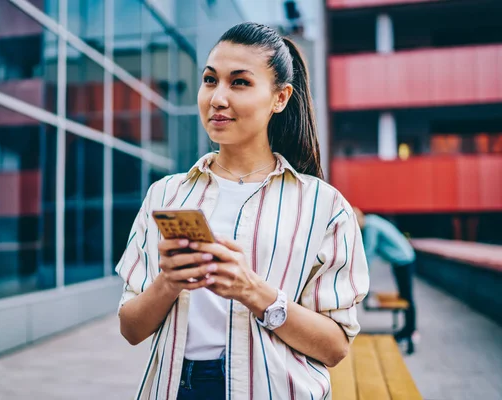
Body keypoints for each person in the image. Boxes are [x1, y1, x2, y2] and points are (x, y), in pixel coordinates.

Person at [116, 22, 369, 400]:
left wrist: (253, 291)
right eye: (209, 80)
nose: (217, 98)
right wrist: (168, 281)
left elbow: (334, 346)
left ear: (280, 98)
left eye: (239, 82)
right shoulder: (165, 195)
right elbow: (131, 329)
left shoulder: (325, 207)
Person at [353, 208, 418, 353]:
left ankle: (411, 331)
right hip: (402, 259)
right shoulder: (372, 220)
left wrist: (361, 277)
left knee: (407, 297)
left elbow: (368, 252)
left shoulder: (370, 226)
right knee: (404, 295)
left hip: (404, 259)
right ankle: (407, 329)